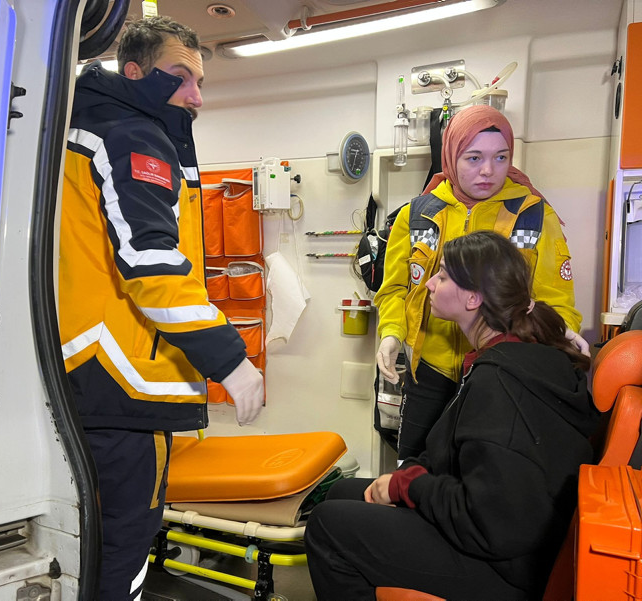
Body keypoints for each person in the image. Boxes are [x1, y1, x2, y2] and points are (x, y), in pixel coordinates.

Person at [59, 17, 264, 600]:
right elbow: (150, 263)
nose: (196, 97)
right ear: (134, 72)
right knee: (123, 548)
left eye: (200, 82)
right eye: (181, 77)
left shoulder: (82, 129)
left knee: (84, 546)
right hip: (125, 384)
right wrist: (230, 360)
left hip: (82, 372)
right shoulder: (132, 136)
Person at [305, 230, 599, 600]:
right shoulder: (515, 353)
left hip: (504, 567)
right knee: (342, 494)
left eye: (442, 275)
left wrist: (409, 486)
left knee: (327, 527)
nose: (429, 283)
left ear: (473, 298)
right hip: (504, 536)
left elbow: (491, 521)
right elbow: (457, 455)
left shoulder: (500, 384)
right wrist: (409, 477)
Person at [374, 104, 588, 460]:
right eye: (474, 158)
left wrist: (560, 335)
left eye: (500, 157)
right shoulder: (417, 214)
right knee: (412, 470)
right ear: (451, 156)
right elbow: (395, 289)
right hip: (429, 370)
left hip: (499, 373)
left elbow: (556, 299)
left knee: (478, 474)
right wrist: (392, 333)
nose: (488, 170)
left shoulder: (533, 214)